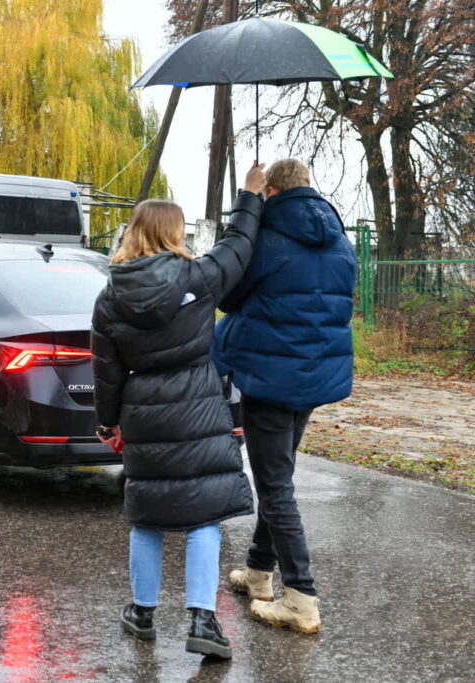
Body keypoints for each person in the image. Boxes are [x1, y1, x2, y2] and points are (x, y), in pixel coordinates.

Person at [92, 163, 267, 660]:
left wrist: (107, 423)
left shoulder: (109, 298)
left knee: (147, 515)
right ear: (174, 233)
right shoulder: (199, 278)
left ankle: (142, 613)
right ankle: (203, 621)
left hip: (143, 411)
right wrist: (249, 195)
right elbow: (238, 245)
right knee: (203, 517)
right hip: (197, 407)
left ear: (134, 232)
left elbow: (105, 369)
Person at [213, 159, 356, 635]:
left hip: (271, 375)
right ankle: (258, 572)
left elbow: (226, 295)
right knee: (280, 474)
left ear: (271, 190)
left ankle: (301, 598)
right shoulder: (340, 239)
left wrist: (246, 207)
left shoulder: (265, 237)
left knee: (275, 486)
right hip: (316, 375)